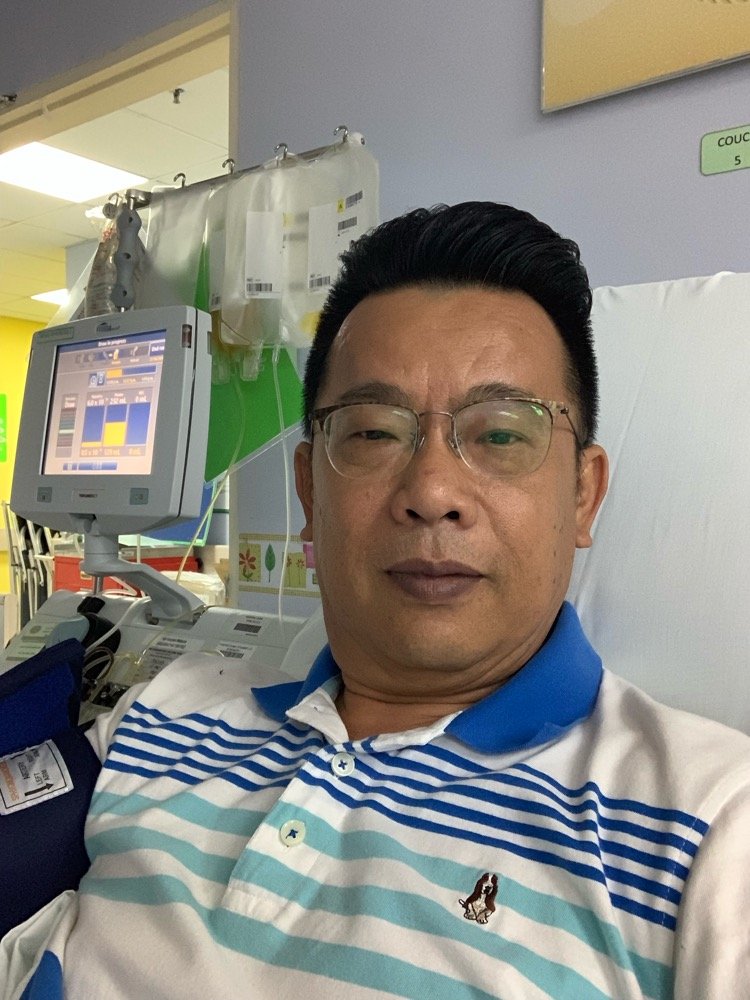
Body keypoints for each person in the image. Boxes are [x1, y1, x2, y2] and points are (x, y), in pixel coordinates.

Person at [3, 202, 749, 999]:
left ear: (583, 495)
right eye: (372, 433)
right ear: (309, 493)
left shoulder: (708, 831)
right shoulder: (162, 718)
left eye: (502, 434)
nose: (432, 491)